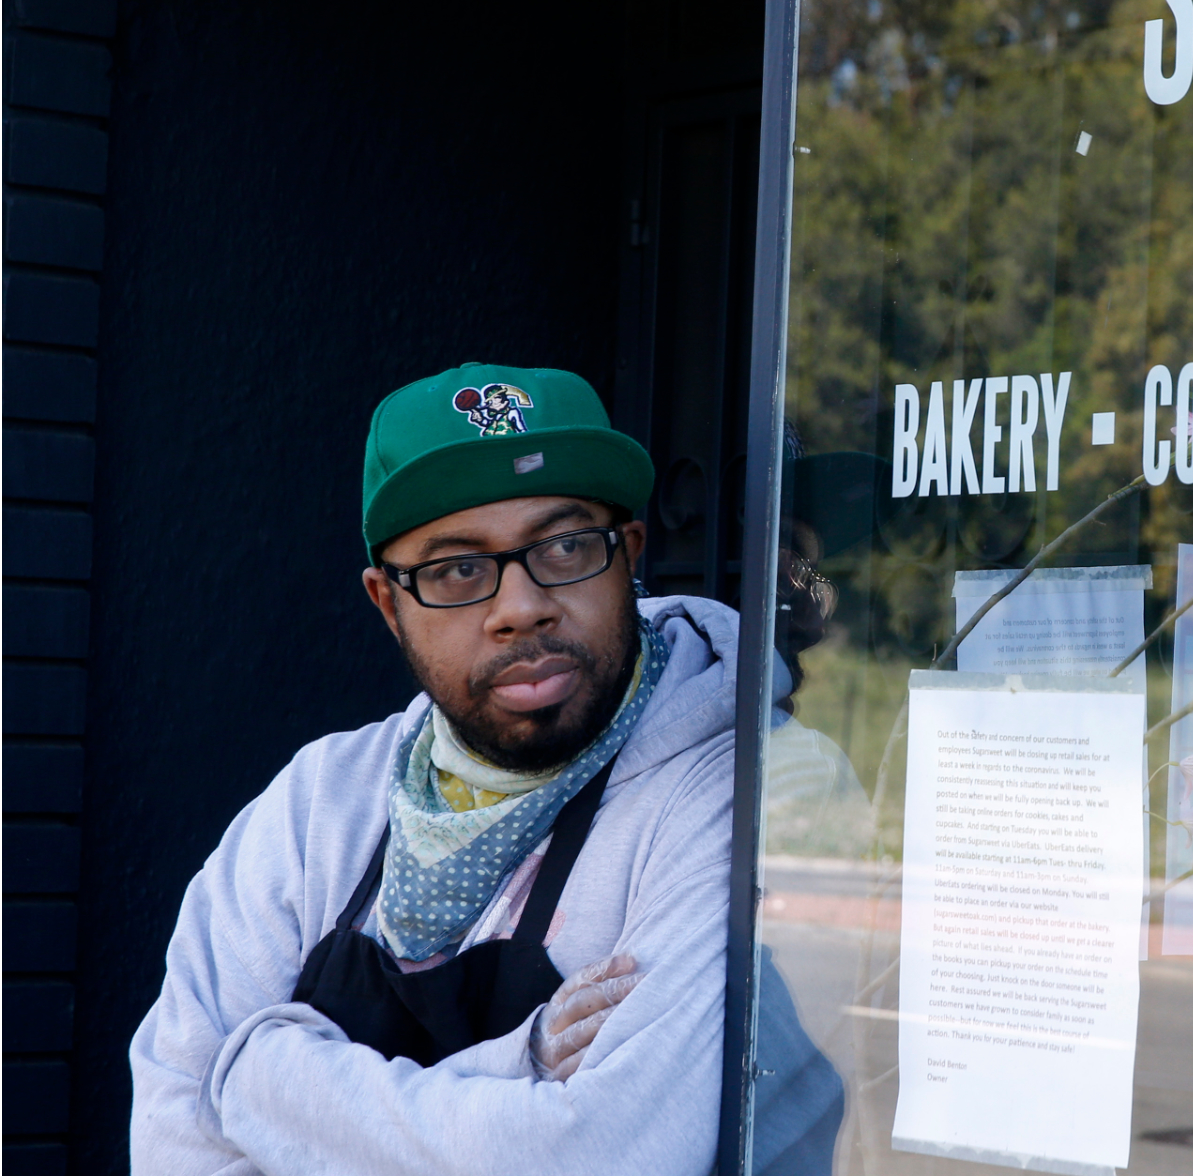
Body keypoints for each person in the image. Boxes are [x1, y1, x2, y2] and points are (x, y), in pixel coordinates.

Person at [129, 363, 843, 1174]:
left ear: (628, 554)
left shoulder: (755, 790)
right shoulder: (317, 806)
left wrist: (267, 1083)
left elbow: (607, 1154)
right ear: (386, 603)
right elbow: (174, 1144)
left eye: (567, 546)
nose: (520, 606)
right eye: (456, 569)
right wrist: (521, 1065)